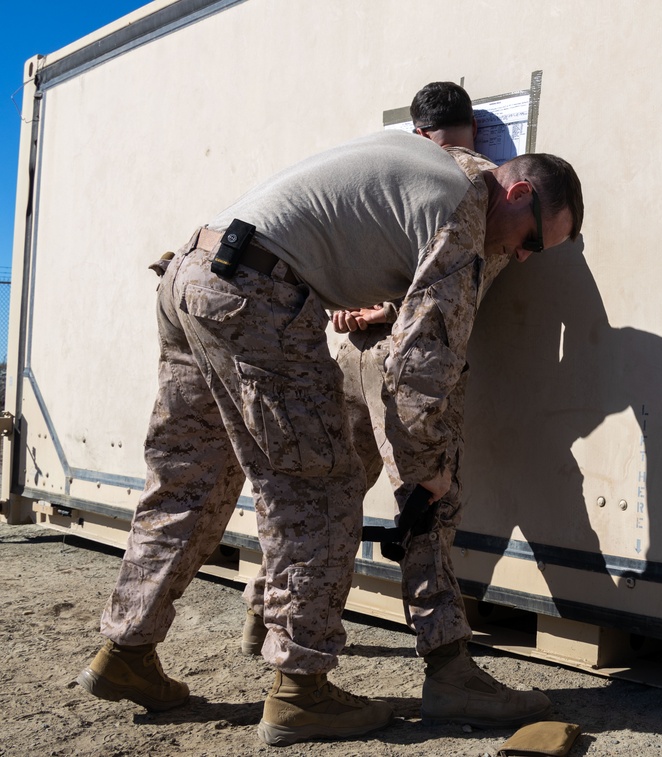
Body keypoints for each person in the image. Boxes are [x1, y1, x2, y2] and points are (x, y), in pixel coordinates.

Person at [75, 127, 584, 748]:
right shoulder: (463, 212)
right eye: (533, 240)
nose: (525, 257)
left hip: (193, 273)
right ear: (518, 191)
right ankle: (301, 692)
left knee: (188, 479)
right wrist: (428, 469)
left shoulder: (442, 166)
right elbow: (422, 365)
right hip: (257, 298)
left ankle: (126, 648)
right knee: (319, 491)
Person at [240, 81, 528, 729]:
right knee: (426, 501)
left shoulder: (386, 166)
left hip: (351, 352)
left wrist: (363, 301)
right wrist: (390, 305)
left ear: (419, 132)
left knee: (320, 493)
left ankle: (266, 609)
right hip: (411, 362)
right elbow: (456, 284)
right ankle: (447, 658)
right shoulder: (483, 184)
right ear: (472, 132)